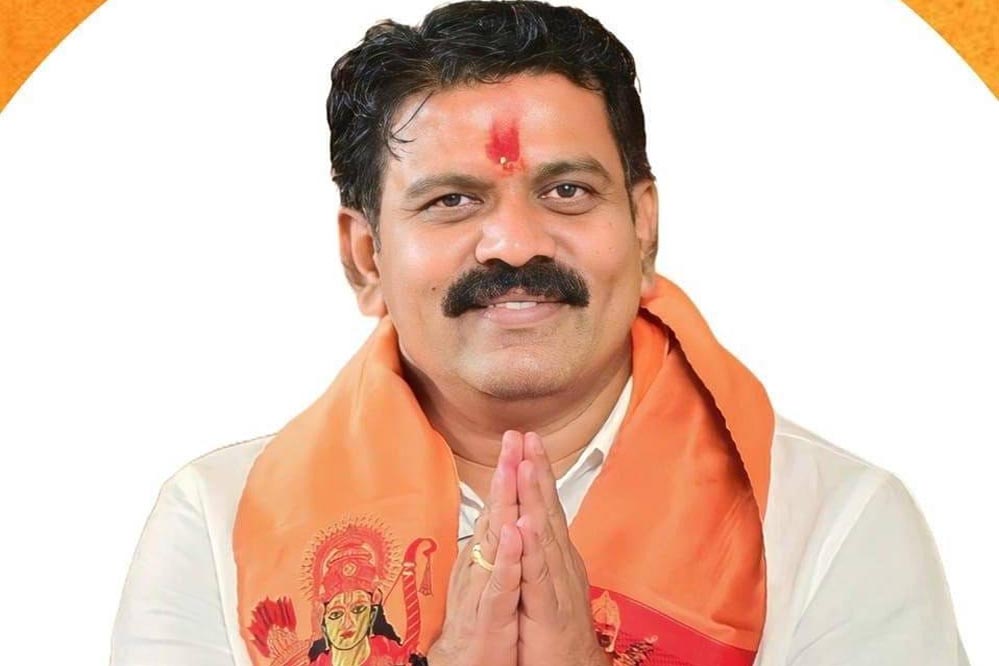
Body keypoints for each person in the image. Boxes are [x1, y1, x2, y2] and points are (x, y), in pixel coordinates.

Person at [109, 2, 970, 665]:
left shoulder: (830, 522)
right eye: (452, 200)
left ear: (643, 228)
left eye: (566, 192)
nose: (515, 244)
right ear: (365, 256)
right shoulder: (215, 523)